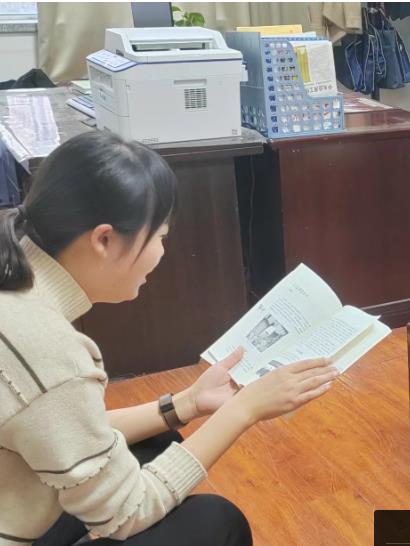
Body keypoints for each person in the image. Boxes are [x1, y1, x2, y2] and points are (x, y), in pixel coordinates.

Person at [0, 131, 340, 545]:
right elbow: (128, 513)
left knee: (155, 442)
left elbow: (67, 430)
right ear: (104, 239)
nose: (162, 252)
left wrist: (187, 403)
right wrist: (245, 409)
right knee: (216, 521)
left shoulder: (18, 288)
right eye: (160, 237)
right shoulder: (49, 350)